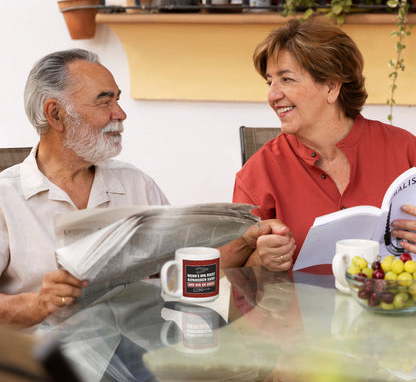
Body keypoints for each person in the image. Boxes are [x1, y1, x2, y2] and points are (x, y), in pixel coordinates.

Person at [0, 49, 285, 328]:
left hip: (139, 351)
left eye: (118, 100)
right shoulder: (6, 197)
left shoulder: (134, 183)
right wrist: (38, 303)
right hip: (43, 363)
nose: (121, 113)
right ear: (56, 114)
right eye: (105, 102)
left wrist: (247, 239)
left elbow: (188, 270)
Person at [233, 17, 416, 272]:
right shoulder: (257, 173)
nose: (272, 96)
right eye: (270, 82)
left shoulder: (406, 152)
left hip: (392, 309)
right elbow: (231, 280)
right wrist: (259, 262)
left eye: (286, 79)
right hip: (300, 312)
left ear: (331, 86)